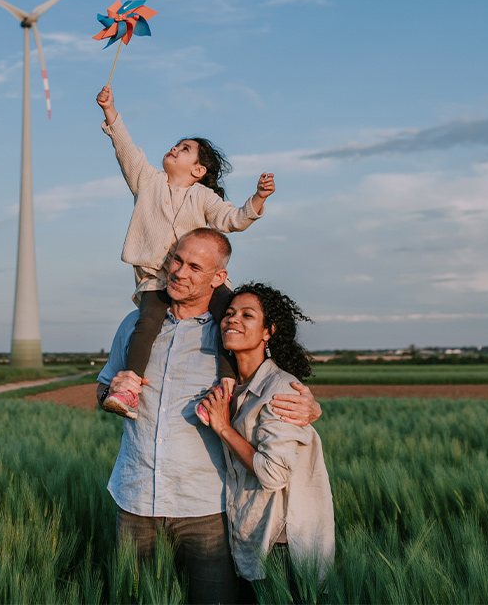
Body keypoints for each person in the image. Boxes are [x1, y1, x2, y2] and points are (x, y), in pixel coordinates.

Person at [96, 229, 322, 605]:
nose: (179, 272)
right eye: (177, 260)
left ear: (218, 278)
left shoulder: (231, 335)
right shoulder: (134, 327)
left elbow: (273, 385)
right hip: (133, 498)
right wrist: (108, 394)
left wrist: (313, 406)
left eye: (195, 267)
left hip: (205, 508)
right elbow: (104, 388)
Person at [96, 84, 275, 421]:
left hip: (198, 278)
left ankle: (225, 388)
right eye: (176, 145)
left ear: (198, 170)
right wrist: (110, 112)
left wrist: (258, 199)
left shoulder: (203, 197)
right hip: (155, 276)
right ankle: (129, 387)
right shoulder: (147, 180)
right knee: (146, 324)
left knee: (227, 314)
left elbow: (232, 218)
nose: (174, 148)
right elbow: (127, 151)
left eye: (185, 148)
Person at [200, 283, 335, 600]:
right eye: (230, 313)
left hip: (280, 548)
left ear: (268, 332)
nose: (233, 319)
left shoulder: (282, 388)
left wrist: (223, 427)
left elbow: (273, 474)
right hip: (250, 538)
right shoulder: (235, 387)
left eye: (248, 315)